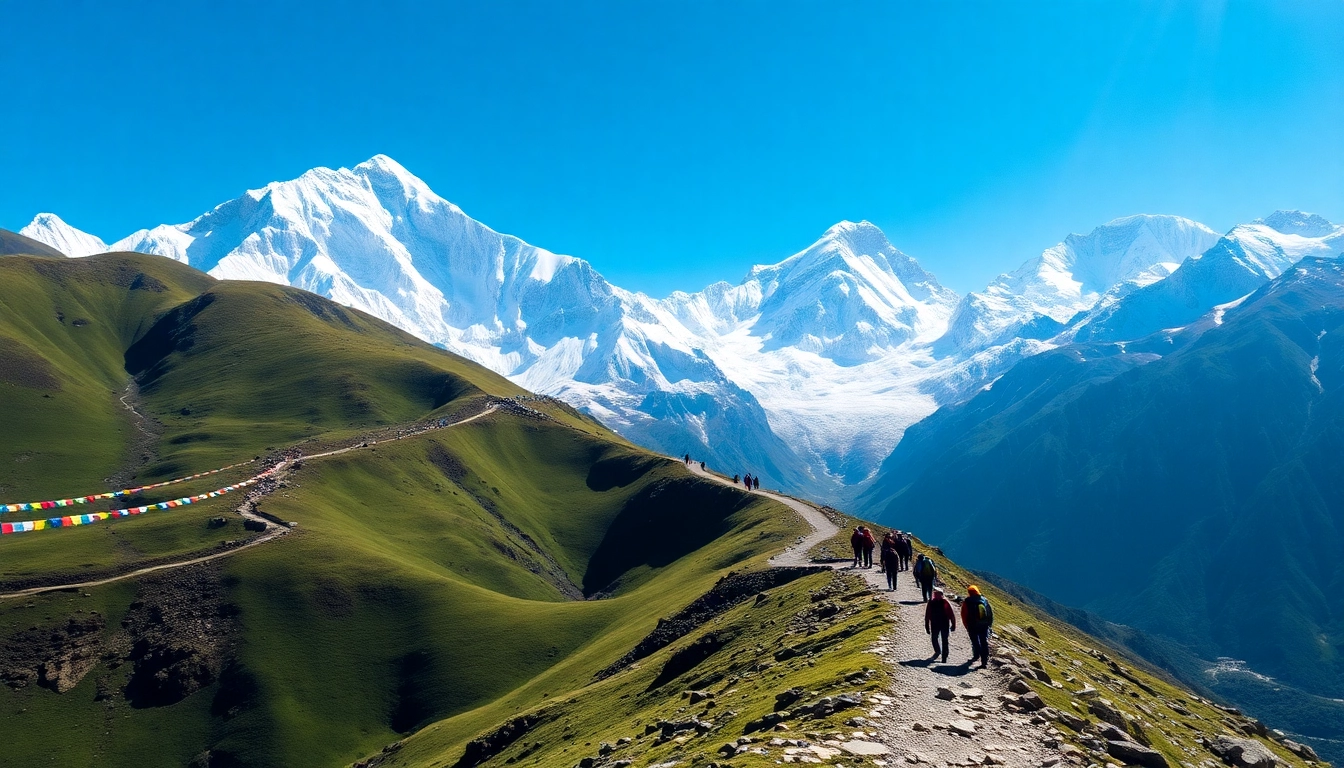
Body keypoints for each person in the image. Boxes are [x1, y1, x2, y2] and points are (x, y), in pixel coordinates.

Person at [961, 585, 994, 668]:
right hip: (984, 625)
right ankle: (984, 662)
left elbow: (964, 615)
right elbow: (990, 613)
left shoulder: (967, 601)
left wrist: (966, 626)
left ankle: (976, 656)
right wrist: (989, 624)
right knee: (984, 642)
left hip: (972, 625)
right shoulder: (984, 600)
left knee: (975, 641)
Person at [925, 588, 957, 663]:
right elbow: (951, 614)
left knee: (934, 638)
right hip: (944, 623)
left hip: (934, 623)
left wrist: (926, 626)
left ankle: (937, 651)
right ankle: (944, 657)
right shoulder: (945, 602)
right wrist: (953, 624)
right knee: (945, 639)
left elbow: (927, 615)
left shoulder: (931, 602)